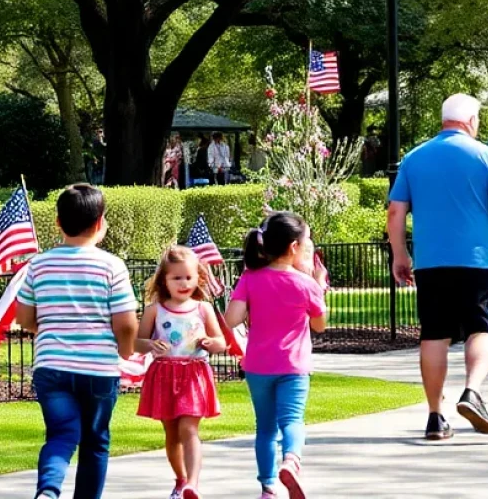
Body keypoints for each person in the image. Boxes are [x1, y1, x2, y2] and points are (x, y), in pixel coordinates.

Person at [387, 94, 488, 440]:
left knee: (434, 334)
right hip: (478, 260)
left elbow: (395, 212)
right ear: (472, 120)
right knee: (484, 329)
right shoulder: (486, 157)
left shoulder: (414, 158)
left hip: (432, 262)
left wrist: (400, 254)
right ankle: (472, 391)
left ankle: (435, 416)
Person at [16, 184, 138, 499]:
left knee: (61, 435)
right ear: (100, 223)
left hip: (51, 367)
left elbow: (25, 318)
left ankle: (48, 491)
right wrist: (125, 352)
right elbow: (125, 323)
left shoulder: (38, 265)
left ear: (58, 222)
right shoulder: (112, 266)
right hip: (98, 369)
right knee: (95, 441)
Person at [225, 212, 327, 499]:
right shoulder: (306, 284)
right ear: (294, 247)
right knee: (292, 420)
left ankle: (268, 487)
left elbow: (231, 319)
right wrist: (319, 287)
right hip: (294, 366)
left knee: (265, 428)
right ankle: (292, 460)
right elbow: (319, 326)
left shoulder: (250, 278)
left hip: (258, 366)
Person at [136, 245, 225, 499]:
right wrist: (150, 344)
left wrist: (210, 341)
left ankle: (193, 484)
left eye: (188, 277)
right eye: (176, 277)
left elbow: (221, 343)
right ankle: (180, 479)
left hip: (194, 375)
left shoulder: (203, 309)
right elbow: (136, 343)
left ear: (198, 278)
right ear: (164, 279)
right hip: (164, 375)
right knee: (172, 434)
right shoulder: (155, 309)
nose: (183, 283)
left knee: (189, 429)